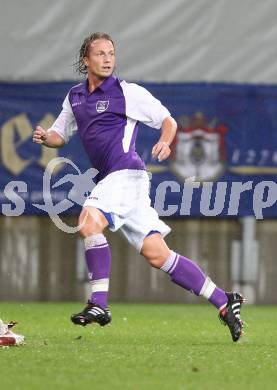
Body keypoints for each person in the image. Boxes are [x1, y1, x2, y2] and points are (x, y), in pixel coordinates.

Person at [33, 32, 245, 342]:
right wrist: (45, 136)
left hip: (126, 174)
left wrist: (163, 140)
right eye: (101, 54)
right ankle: (224, 300)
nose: (108, 59)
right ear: (85, 60)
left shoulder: (126, 92)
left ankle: (99, 304)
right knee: (158, 254)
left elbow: (167, 120)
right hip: (118, 181)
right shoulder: (75, 97)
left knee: (89, 220)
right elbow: (60, 135)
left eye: (111, 53)